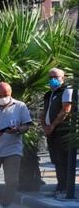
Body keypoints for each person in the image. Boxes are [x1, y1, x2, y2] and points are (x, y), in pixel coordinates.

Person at [42, 68, 74, 198]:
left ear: (63, 78)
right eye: (50, 77)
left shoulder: (67, 90)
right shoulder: (49, 94)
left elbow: (66, 110)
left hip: (62, 131)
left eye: (55, 77)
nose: (52, 80)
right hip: (51, 131)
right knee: (55, 159)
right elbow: (44, 111)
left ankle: (65, 188)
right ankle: (60, 186)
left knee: (63, 160)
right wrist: (44, 126)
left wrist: (53, 125)